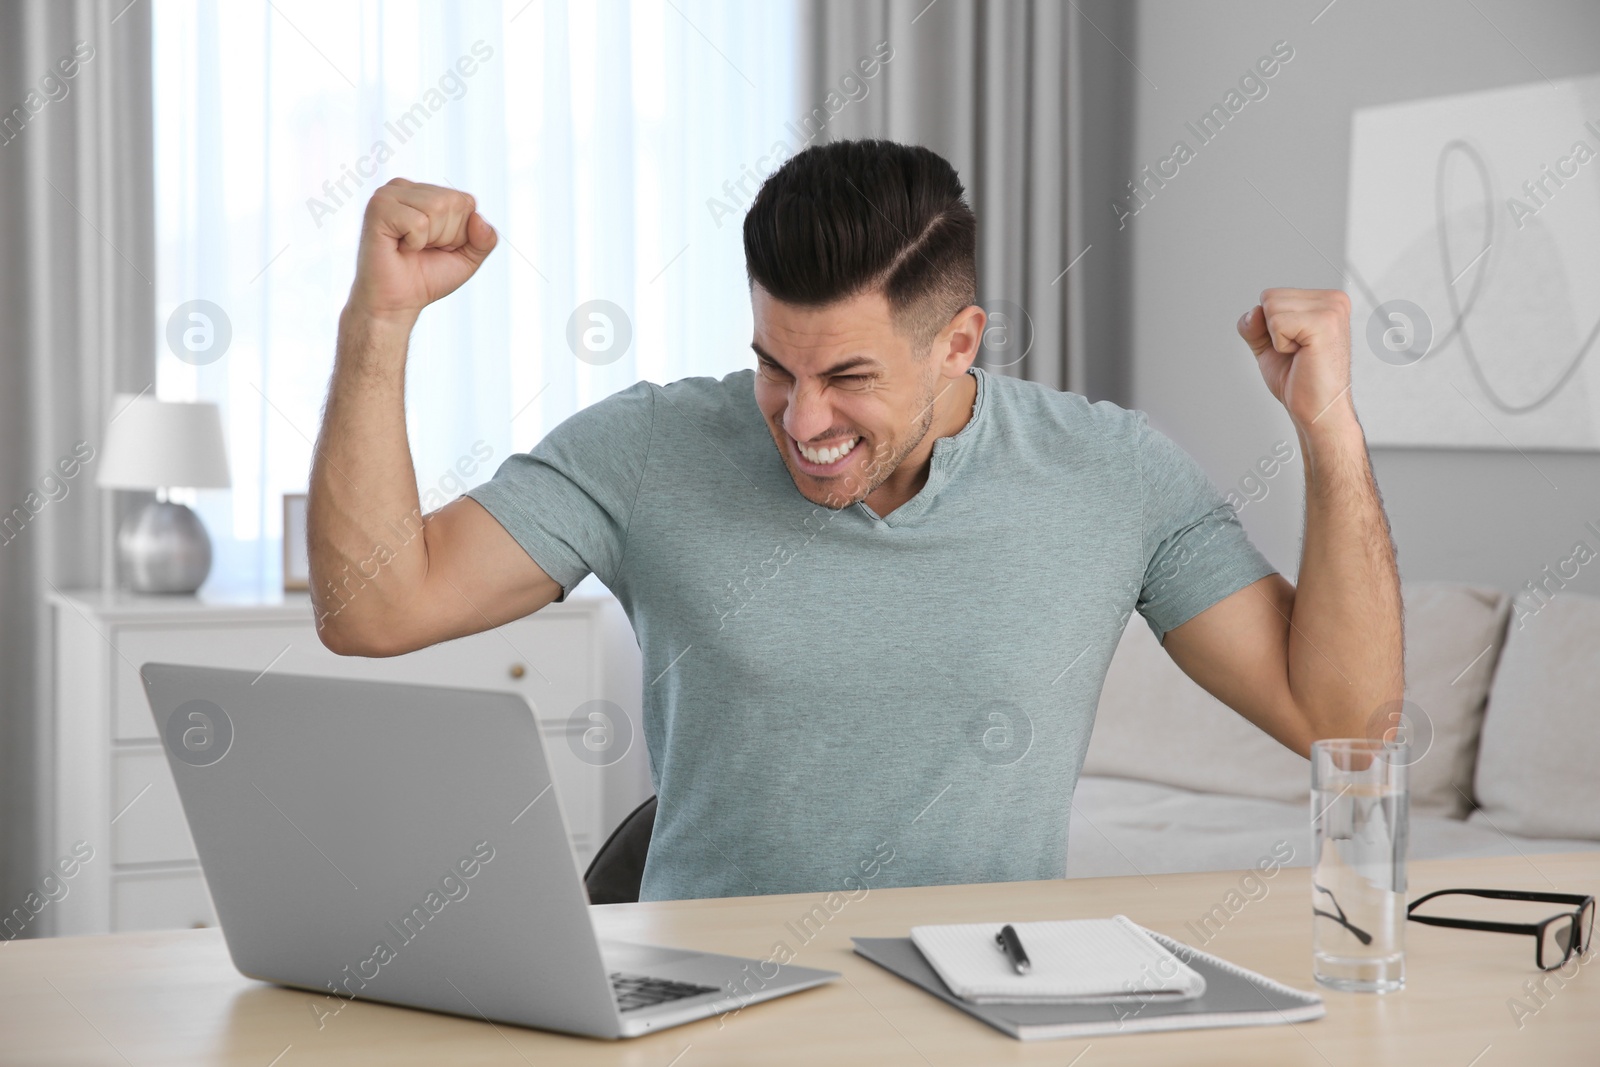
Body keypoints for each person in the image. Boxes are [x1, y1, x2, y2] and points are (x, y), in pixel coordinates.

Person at [308, 139, 1402, 902]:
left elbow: (1339, 717)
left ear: (959, 343)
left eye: (847, 376)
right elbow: (372, 609)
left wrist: (1329, 429)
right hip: (704, 1002)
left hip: (979, 1009)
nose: (803, 417)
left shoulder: (1109, 472)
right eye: (772, 367)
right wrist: (381, 318)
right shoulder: (646, 450)